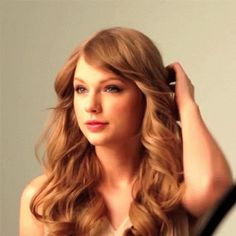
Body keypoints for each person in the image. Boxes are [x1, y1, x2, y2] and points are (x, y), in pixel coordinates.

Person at [19, 27, 233, 236]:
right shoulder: (43, 199)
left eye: (111, 88)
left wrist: (186, 105)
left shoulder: (175, 191)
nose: (90, 105)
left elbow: (214, 192)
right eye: (81, 89)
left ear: (145, 96)